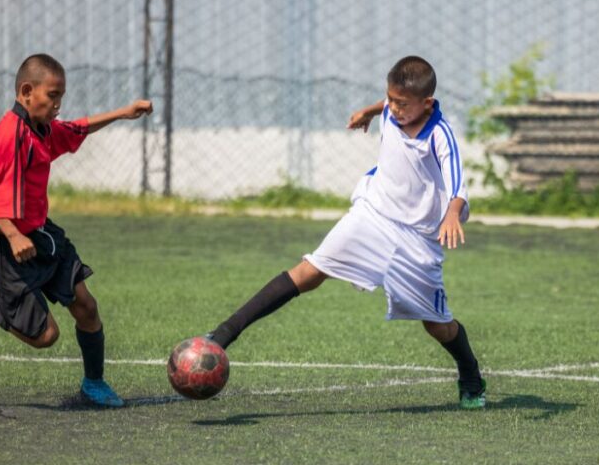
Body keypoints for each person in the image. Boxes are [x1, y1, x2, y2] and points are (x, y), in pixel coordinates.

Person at [205, 56, 486, 408]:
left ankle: (470, 372)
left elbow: (457, 184)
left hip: (417, 238)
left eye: (402, 104)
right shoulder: (392, 110)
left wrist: (453, 214)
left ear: (427, 103)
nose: (394, 109)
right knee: (310, 271)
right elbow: (387, 104)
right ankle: (222, 334)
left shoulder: (440, 134)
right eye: (390, 99)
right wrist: (369, 111)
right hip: (373, 213)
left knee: (436, 326)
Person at [0, 54, 152, 408]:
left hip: (41, 235)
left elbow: (75, 129)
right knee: (45, 336)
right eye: (53, 96)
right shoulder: (11, 133)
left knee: (86, 306)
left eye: (61, 97)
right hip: (5, 242)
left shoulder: (41, 127)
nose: (58, 105)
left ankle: (94, 384)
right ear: (27, 92)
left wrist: (123, 112)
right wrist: (13, 235)